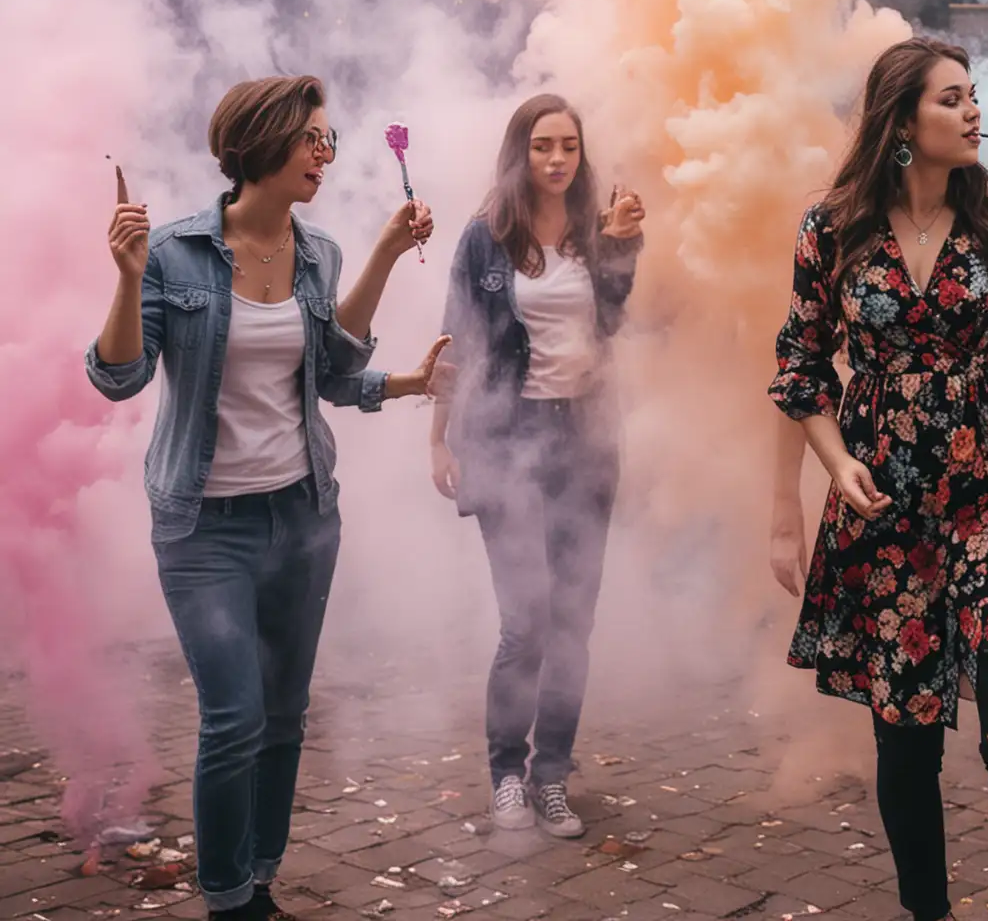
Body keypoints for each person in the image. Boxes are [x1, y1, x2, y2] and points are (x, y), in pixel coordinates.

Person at [88, 75, 446, 921]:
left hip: (303, 516)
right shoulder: (173, 253)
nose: (326, 154)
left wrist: (390, 263)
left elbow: (334, 371)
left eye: (331, 141)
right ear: (265, 142)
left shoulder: (316, 252)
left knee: (285, 713)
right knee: (235, 716)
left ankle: (260, 879)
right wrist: (127, 277)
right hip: (204, 528)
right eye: (313, 139)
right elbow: (118, 377)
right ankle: (227, 902)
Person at [769, 37, 988, 921]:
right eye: (953, 99)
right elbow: (800, 372)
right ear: (903, 121)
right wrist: (835, 465)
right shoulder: (832, 228)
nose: (974, 111)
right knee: (906, 738)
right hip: (886, 513)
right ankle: (930, 912)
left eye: (975, 96)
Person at [429, 93, 644, 839]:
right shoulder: (484, 239)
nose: (557, 160)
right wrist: (439, 436)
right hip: (506, 439)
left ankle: (553, 774)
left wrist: (619, 251)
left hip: (584, 442)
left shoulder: (596, 232)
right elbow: (457, 340)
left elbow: (611, 325)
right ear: (520, 152)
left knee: (573, 623)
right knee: (526, 624)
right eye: (543, 146)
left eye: (570, 147)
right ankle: (505, 775)